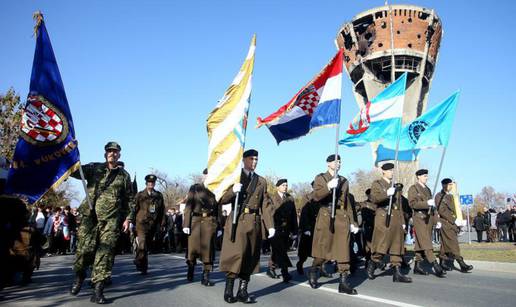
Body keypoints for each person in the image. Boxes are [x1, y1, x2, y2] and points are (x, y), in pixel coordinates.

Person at [69, 141, 134, 304]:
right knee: (84, 251)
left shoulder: (124, 176)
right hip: (90, 217)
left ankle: (98, 291)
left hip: (111, 220)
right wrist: (70, 152)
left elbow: (130, 199)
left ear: (119, 154)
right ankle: (79, 276)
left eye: (115, 151)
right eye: (109, 151)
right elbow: (75, 171)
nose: (112, 153)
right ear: (105, 154)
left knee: (104, 254)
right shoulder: (95, 168)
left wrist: (128, 218)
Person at [218, 149, 274, 304]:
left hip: (254, 221)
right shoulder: (235, 177)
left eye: (256, 159)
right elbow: (222, 199)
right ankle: (229, 290)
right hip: (238, 219)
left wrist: (270, 226)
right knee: (235, 256)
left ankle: (243, 291)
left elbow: (266, 204)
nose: (254, 162)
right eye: (251, 159)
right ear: (243, 160)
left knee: (250, 257)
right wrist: (232, 191)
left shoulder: (261, 181)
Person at [307, 154, 358, 295]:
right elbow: (316, 196)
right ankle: (314, 269)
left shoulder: (344, 180)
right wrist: (328, 187)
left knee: (343, 249)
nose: (338, 163)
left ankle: (343, 282)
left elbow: (347, 204)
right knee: (323, 249)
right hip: (325, 215)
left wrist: (353, 222)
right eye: (336, 161)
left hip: (341, 217)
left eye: (340, 161)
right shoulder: (321, 178)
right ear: (328, 163)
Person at [367, 163, 411, 283]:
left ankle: (397, 273)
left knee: (397, 245)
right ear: (383, 172)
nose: (392, 172)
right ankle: (373, 262)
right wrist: (387, 194)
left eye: (392, 170)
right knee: (382, 244)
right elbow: (374, 198)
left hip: (396, 218)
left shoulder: (395, 186)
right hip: (383, 217)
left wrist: (402, 222)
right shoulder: (377, 184)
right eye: (389, 170)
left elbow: (400, 206)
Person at [182, 168, 220, 286]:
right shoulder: (195, 188)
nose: (208, 177)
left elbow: (218, 208)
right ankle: (191, 268)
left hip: (210, 221)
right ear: (203, 176)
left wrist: (219, 225)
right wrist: (186, 224)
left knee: (208, 250)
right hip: (195, 221)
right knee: (193, 249)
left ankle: (206, 276)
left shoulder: (217, 189)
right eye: (206, 175)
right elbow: (189, 206)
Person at [407, 169, 445, 277]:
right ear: (418, 177)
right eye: (424, 176)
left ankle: (417, 266)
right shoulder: (413, 188)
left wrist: (436, 220)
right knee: (426, 242)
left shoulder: (428, 189)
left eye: (426, 176)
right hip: (419, 218)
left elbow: (433, 208)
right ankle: (435, 264)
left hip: (428, 219)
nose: (426, 178)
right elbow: (412, 204)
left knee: (421, 243)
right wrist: (426, 203)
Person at [435, 178, 473, 273]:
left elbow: (457, 209)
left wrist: (460, 219)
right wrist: (454, 220)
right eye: (449, 185)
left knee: (445, 243)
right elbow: (441, 210)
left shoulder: (452, 196)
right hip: (446, 223)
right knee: (453, 243)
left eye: (452, 185)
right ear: (444, 185)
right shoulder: (439, 196)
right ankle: (461, 263)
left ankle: (442, 262)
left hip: (453, 223)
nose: (451, 186)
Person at [130, 174, 165, 275]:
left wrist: (162, 223)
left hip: (152, 224)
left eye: (153, 183)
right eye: (149, 183)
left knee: (147, 246)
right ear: (146, 184)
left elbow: (162, 210)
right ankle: (142, 265)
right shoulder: (140, 195)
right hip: (141, 223)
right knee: (142, 243)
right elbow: (134, 209)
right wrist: (131, 221)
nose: (151, 184)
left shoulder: (158, 196)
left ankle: (140, 262)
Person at [267, 179, 298, 282]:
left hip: (286, 229)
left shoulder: (290, 198)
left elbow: (293, 215)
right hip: (275, 228)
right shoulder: (271, 197)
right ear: (278, 187)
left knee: (280, 249)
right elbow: (268, 213)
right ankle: (285, 273)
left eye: (286, 185)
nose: (285, 187)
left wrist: (295, 231)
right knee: (280, 249)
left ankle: (271, 268)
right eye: (283, 185)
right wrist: (269, 227)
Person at [296, 182, 318, 275]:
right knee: (304, 250)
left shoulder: (325, 196)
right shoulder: (307, 197)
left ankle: (321, 268)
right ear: (313, 187)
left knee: (321, 250)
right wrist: (306, 228)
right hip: (309, 227)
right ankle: (300, 264)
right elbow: (304, 213)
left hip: (320, 227)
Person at [356, 189, 376, 267]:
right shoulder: (364, 204)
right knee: (368, 245)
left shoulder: (377, 203)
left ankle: (374, 260)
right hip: (368, 226)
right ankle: (368, 261)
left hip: (376, 226)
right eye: (369, 195)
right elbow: (358, 207)